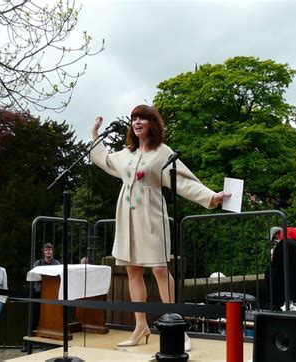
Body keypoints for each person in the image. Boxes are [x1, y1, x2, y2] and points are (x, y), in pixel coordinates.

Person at [90, 105, 230, 350]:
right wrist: (95, 137)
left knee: (159, 269)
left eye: (142, 118)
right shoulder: (126, 153)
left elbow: (183, 182)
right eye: (134, 118)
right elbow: (104, 161)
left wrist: (209, 196)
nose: (137, 122)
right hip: (127, 216)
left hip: (152, 214)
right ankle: (140, 325)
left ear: (152, 123)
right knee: (132, 269)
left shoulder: (162, 152)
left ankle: (177, 326)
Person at [32, 243, 60, 331]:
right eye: (46, 250)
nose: (48, 252)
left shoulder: (57, 263)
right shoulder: (38, 263)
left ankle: (52, 329)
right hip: (39, 291)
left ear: (52, 252)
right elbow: (34, 275)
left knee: (52, 311)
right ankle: (34, 330)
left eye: (50, 250)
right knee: (36, 312)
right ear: (43, 252)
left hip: (52, 292)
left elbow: (59, 276)